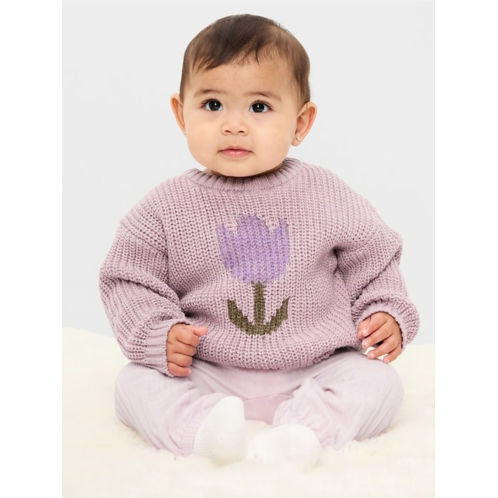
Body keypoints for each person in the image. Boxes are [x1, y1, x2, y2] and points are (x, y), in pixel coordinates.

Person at [99, 13, 419, 469]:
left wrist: (385, 311)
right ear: (181, 113)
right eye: (213, 104)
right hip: (208, 370)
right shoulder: (164, 207)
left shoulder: (326, 194)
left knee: (381, 383)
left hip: (316, 365)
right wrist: (159, 333)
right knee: (132, 383)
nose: (234, 125)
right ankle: (205, 430)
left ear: (301, 123)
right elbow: (128, 280)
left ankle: (302, 432)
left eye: (259, 107)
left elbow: (375, 261)